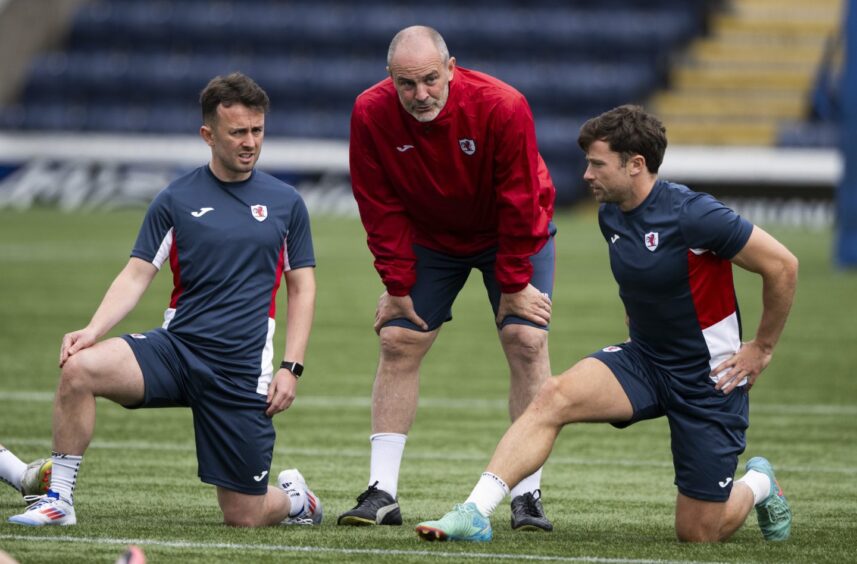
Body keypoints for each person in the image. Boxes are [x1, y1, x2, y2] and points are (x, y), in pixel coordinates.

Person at [415, 105, 797, 543]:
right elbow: (641, 284)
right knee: (552, 395)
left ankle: (761, 483)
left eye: (597, 163)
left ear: (636, 165)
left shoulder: (695, 214)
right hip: (645, 360)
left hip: (709, 378)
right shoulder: (611, 214)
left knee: (699, 533)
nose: (586, 175)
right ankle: (473, 512)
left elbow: (783, 266)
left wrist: (762, 347)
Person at [8, 73, 322, 528]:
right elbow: (137, 275)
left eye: (257, 130)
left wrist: (291, 367)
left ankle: (297, 502)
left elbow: (303, 286)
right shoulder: (175, 199)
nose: (250, 142)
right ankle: (59, 500)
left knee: (244, 515)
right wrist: (91, 332)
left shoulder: (286, 202)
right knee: (79, 368)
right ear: (207, 135)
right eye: (238, 132)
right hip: (176, 352)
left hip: (238, 369)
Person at [340, 25, 557, 531]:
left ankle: (528, 495)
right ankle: (382, 493)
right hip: (433, 237)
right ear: (389, 79)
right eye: (407, 84)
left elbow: (521, 199)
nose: (420, 95)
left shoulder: (503, 106)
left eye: (431, 80)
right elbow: (377, 202)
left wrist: (514, 282)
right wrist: (396, 286)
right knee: (397, 339)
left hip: (511, 232)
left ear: (452, 68)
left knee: (526, 339)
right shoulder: (369, 111)